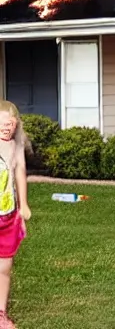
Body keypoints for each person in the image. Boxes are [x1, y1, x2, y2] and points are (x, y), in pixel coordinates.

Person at [0, 101, 31, 329]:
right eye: (1, 123)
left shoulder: (16, 146)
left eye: (10, 123)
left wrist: (24, 205)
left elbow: (20, 172)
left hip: (8, 216)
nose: (6, 127)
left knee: (4, 268)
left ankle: (0, 313)